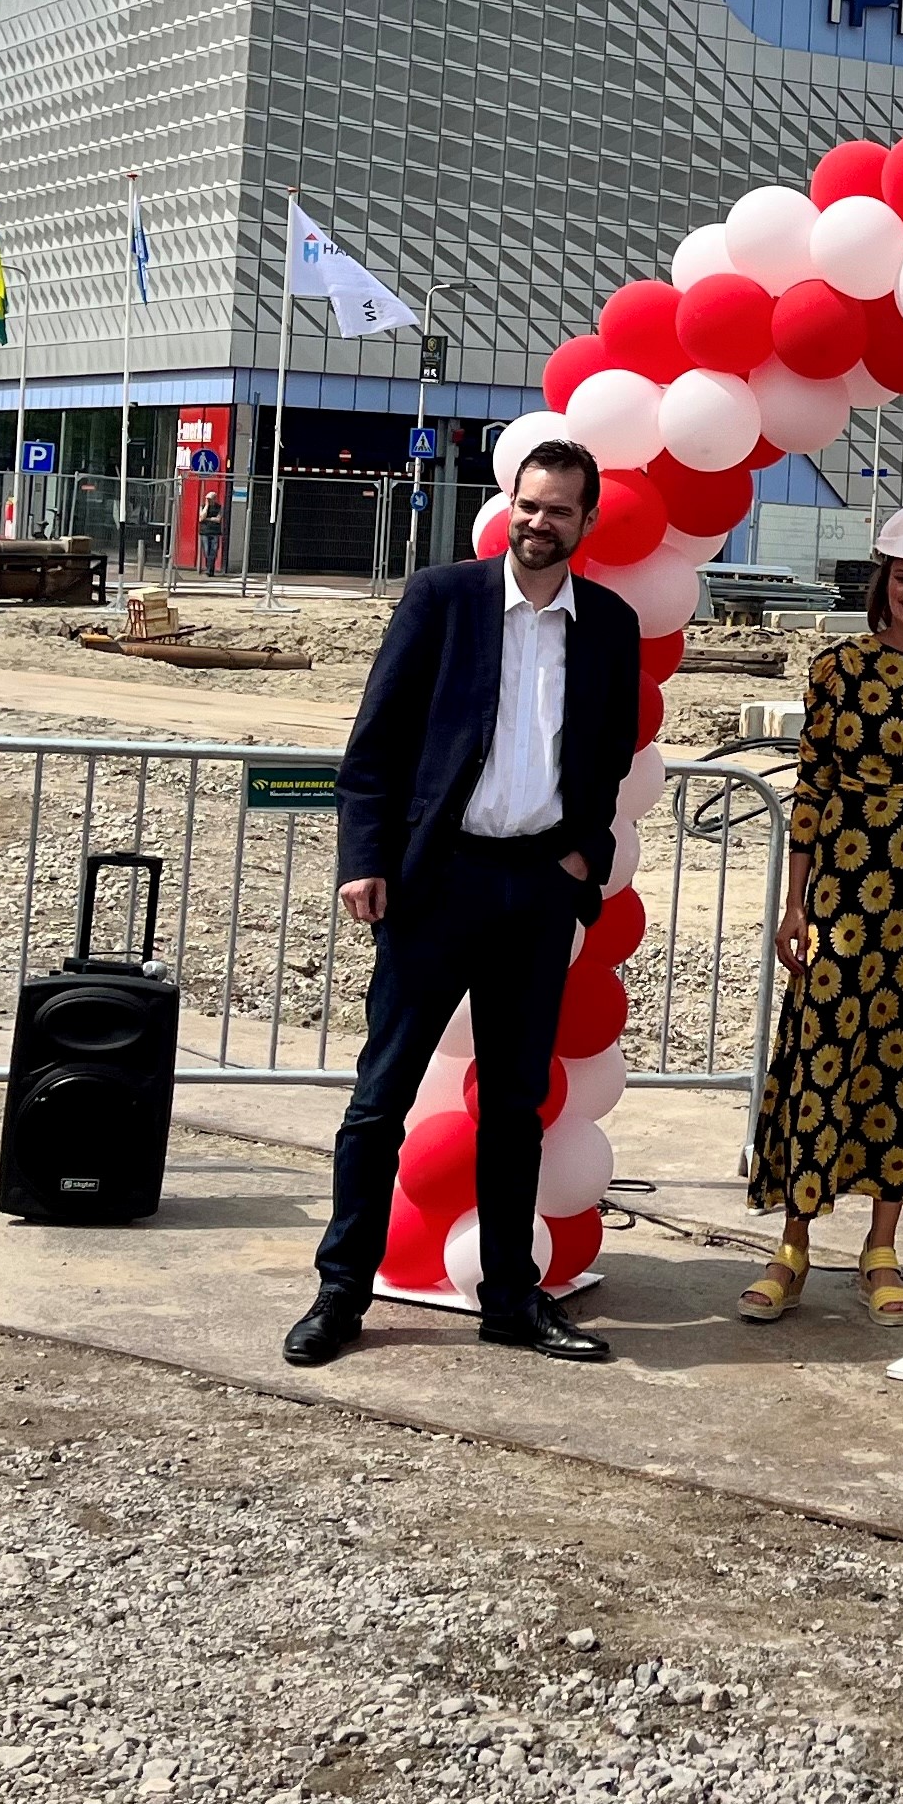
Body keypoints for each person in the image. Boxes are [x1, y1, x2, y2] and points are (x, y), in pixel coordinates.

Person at [289, 437, 639, 1369]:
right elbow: (376, 743)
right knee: (379, 1099)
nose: (540, 521)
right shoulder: (442, 600)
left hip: (535, 889)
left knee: (516, 1106)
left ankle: (510, 1302)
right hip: (435, 885)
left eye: (560, 509)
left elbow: (605, 754)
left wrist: (582, 856)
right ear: (508, 506)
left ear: (585, 522)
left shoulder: (605, 622)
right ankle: (341, 1292)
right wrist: (367, 858)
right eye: (529, 504)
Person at [740, 504, 903, 1326]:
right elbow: (810, 785)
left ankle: (881, 1246)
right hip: (847, 883)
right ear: (883, 581)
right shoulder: (837, 667)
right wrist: (792, 900)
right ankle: (793, 1241)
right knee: (823, 1051)